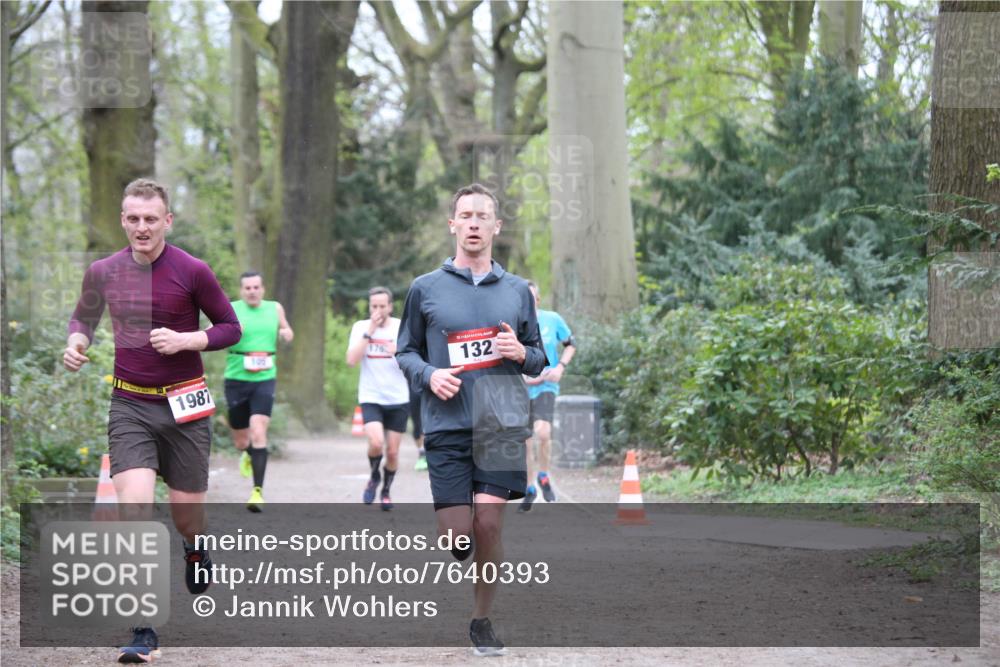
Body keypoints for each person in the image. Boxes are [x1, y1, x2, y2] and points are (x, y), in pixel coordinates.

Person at [63, 178, 241, 663]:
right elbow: (83, 319)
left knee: (188, 518)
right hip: (130, 406)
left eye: (151, 218)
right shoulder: (103, 271)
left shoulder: (193, 270)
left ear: (167, 220)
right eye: (133, 218)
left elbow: (230, 327)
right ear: (123, 220)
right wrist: (76, 343)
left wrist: (188, 341)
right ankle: (143, 630)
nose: (142, 227)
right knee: (134, 512)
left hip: (185, 407)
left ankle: (196, 548)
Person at [396, 183, 545, 657]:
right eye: (467, 215)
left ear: (496, 227)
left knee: (489, 525)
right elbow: (406, 352)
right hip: (446, 423)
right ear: (453, 224)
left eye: (484, 216)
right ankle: (459, 545)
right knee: (457, 533)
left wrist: (521, 352)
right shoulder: (425, 289)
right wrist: (430, 373)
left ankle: (481, 619)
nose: (475, 223)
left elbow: (539, 357)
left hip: (501, 420)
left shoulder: (519, 290)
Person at [224, 271, 294, 512]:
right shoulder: (230, 309)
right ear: (241, 290)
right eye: (247, 288)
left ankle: (257, 492)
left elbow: (287, 329)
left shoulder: (275, 308)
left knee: (258, 430)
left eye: (256, 287)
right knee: (241, 440)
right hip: (235, 377)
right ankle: (247, 453)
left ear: (262, 289)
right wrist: (229, 331)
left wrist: (286, 334)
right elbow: (214, 333)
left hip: (265, 378)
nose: (252, 291)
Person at [346, 286, 411, 511]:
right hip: (371, 395)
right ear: (370, 306)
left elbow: (415, 361)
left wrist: (400, 351)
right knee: (376, 442)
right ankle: (374, 476)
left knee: (392, 452)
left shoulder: (402, 327)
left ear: (390, 307)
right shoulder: (361, 327)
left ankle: (386, 490)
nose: (378, 310)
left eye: (382, 306)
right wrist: (369, 332)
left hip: (398, 397)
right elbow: (351, 360)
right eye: (374, 306)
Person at [519, 281, 576, 512]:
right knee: (525, 440)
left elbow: (571, 344)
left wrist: (560, 366)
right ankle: (530, 486)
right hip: (520, 389)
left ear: (538, 300)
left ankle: (544, 475)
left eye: (531, 297)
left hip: (545, 386)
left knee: (543, 432)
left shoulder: (552, 319)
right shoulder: (510, 323)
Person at [411, 388, 427, 471]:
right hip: (413, 387)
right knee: (417, 424)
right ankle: (422, 453)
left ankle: (426, 454)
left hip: (428, 386)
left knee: (426, 422)